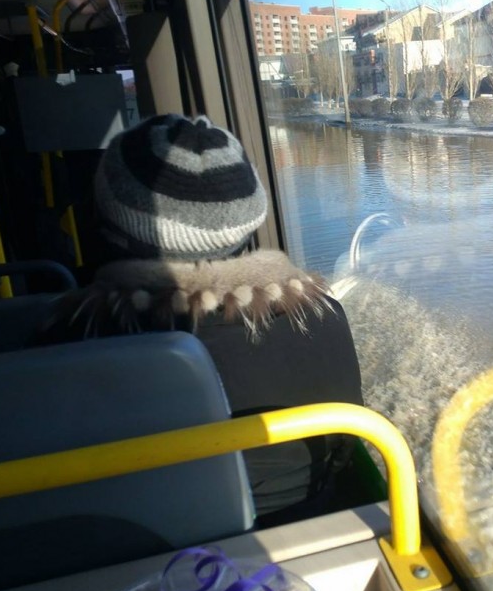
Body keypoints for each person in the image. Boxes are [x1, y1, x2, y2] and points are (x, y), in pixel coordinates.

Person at [37, 113, 363, 522]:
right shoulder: (322, 318)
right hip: (308, 530)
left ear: (110, 221)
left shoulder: (71, 338)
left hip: (133, 544)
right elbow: (343, 452)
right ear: (249, 219)